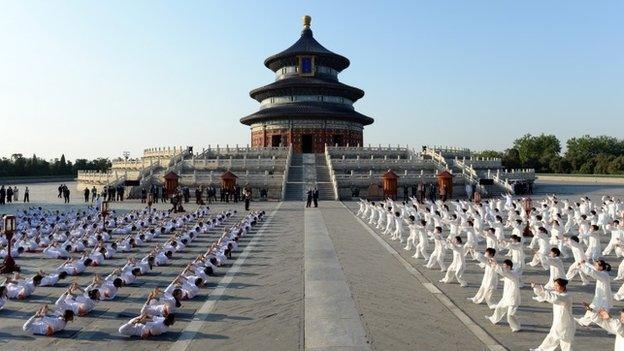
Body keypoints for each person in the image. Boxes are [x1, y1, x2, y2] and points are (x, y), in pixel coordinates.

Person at [530, 278, 575, 351]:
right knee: (551, 337)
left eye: (557, 286)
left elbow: (555, 299)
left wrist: (545, 291)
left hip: (566, 324)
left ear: (563, 286)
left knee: (566, 343)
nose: (555, 287)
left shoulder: (567, 296)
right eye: (554, 286)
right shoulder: (556, 293)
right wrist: (536, 287)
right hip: (557, 322)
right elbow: (544, 295)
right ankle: (540, 350)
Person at [487, 259, 521, 332]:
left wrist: (496, 265)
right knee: (499, 308)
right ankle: (493, 319)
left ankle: (516, 327)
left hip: (513, 298)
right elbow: (502, 272)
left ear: (509, 267)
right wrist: (494, 265)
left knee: (510, 315)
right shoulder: (508, 273)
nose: (503, 267)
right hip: (506, 297)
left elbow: (503, 272)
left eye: (504, 266)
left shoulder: (513, 274)